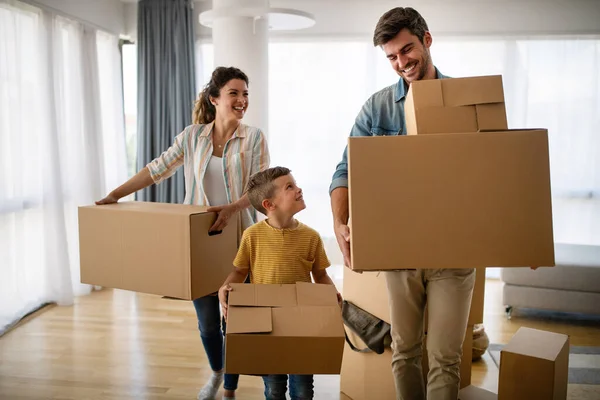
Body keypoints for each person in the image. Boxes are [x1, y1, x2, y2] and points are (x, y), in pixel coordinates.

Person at [96, 66, 270, 400]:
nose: (242, 100)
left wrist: (232, 209)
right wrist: (117, 194)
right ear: (215, 98)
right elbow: (156, 169)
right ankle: (218, 374)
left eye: (245, 93)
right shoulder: (192, 137)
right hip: (199, 242)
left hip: (241, 239)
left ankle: (231, 388)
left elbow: (262, 186)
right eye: (234, 93)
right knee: (207, 324)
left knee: (235, 321)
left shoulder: (255, 137)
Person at [329, 7, 474, 400]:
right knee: (405, 350)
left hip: (453, 251)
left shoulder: (465, 101)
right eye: (391, 56)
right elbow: (345, 170)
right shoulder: (377, 108)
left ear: (427, 40)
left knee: (445, 357)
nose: (401, 63)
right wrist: (340, 225)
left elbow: (494, 172)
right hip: (400, 251)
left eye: (407, 50)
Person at [218, 167, 340, 400]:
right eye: (289, 187)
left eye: (295, 183)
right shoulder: (252, 236)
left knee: (303, 390)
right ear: (269, 205)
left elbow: (321, 275)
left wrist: (331, 294)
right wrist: (224, 287)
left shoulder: (311, 237)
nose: (298, 189)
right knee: (274, 389)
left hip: (303, 324)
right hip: (268, 326)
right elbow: (239, 271)